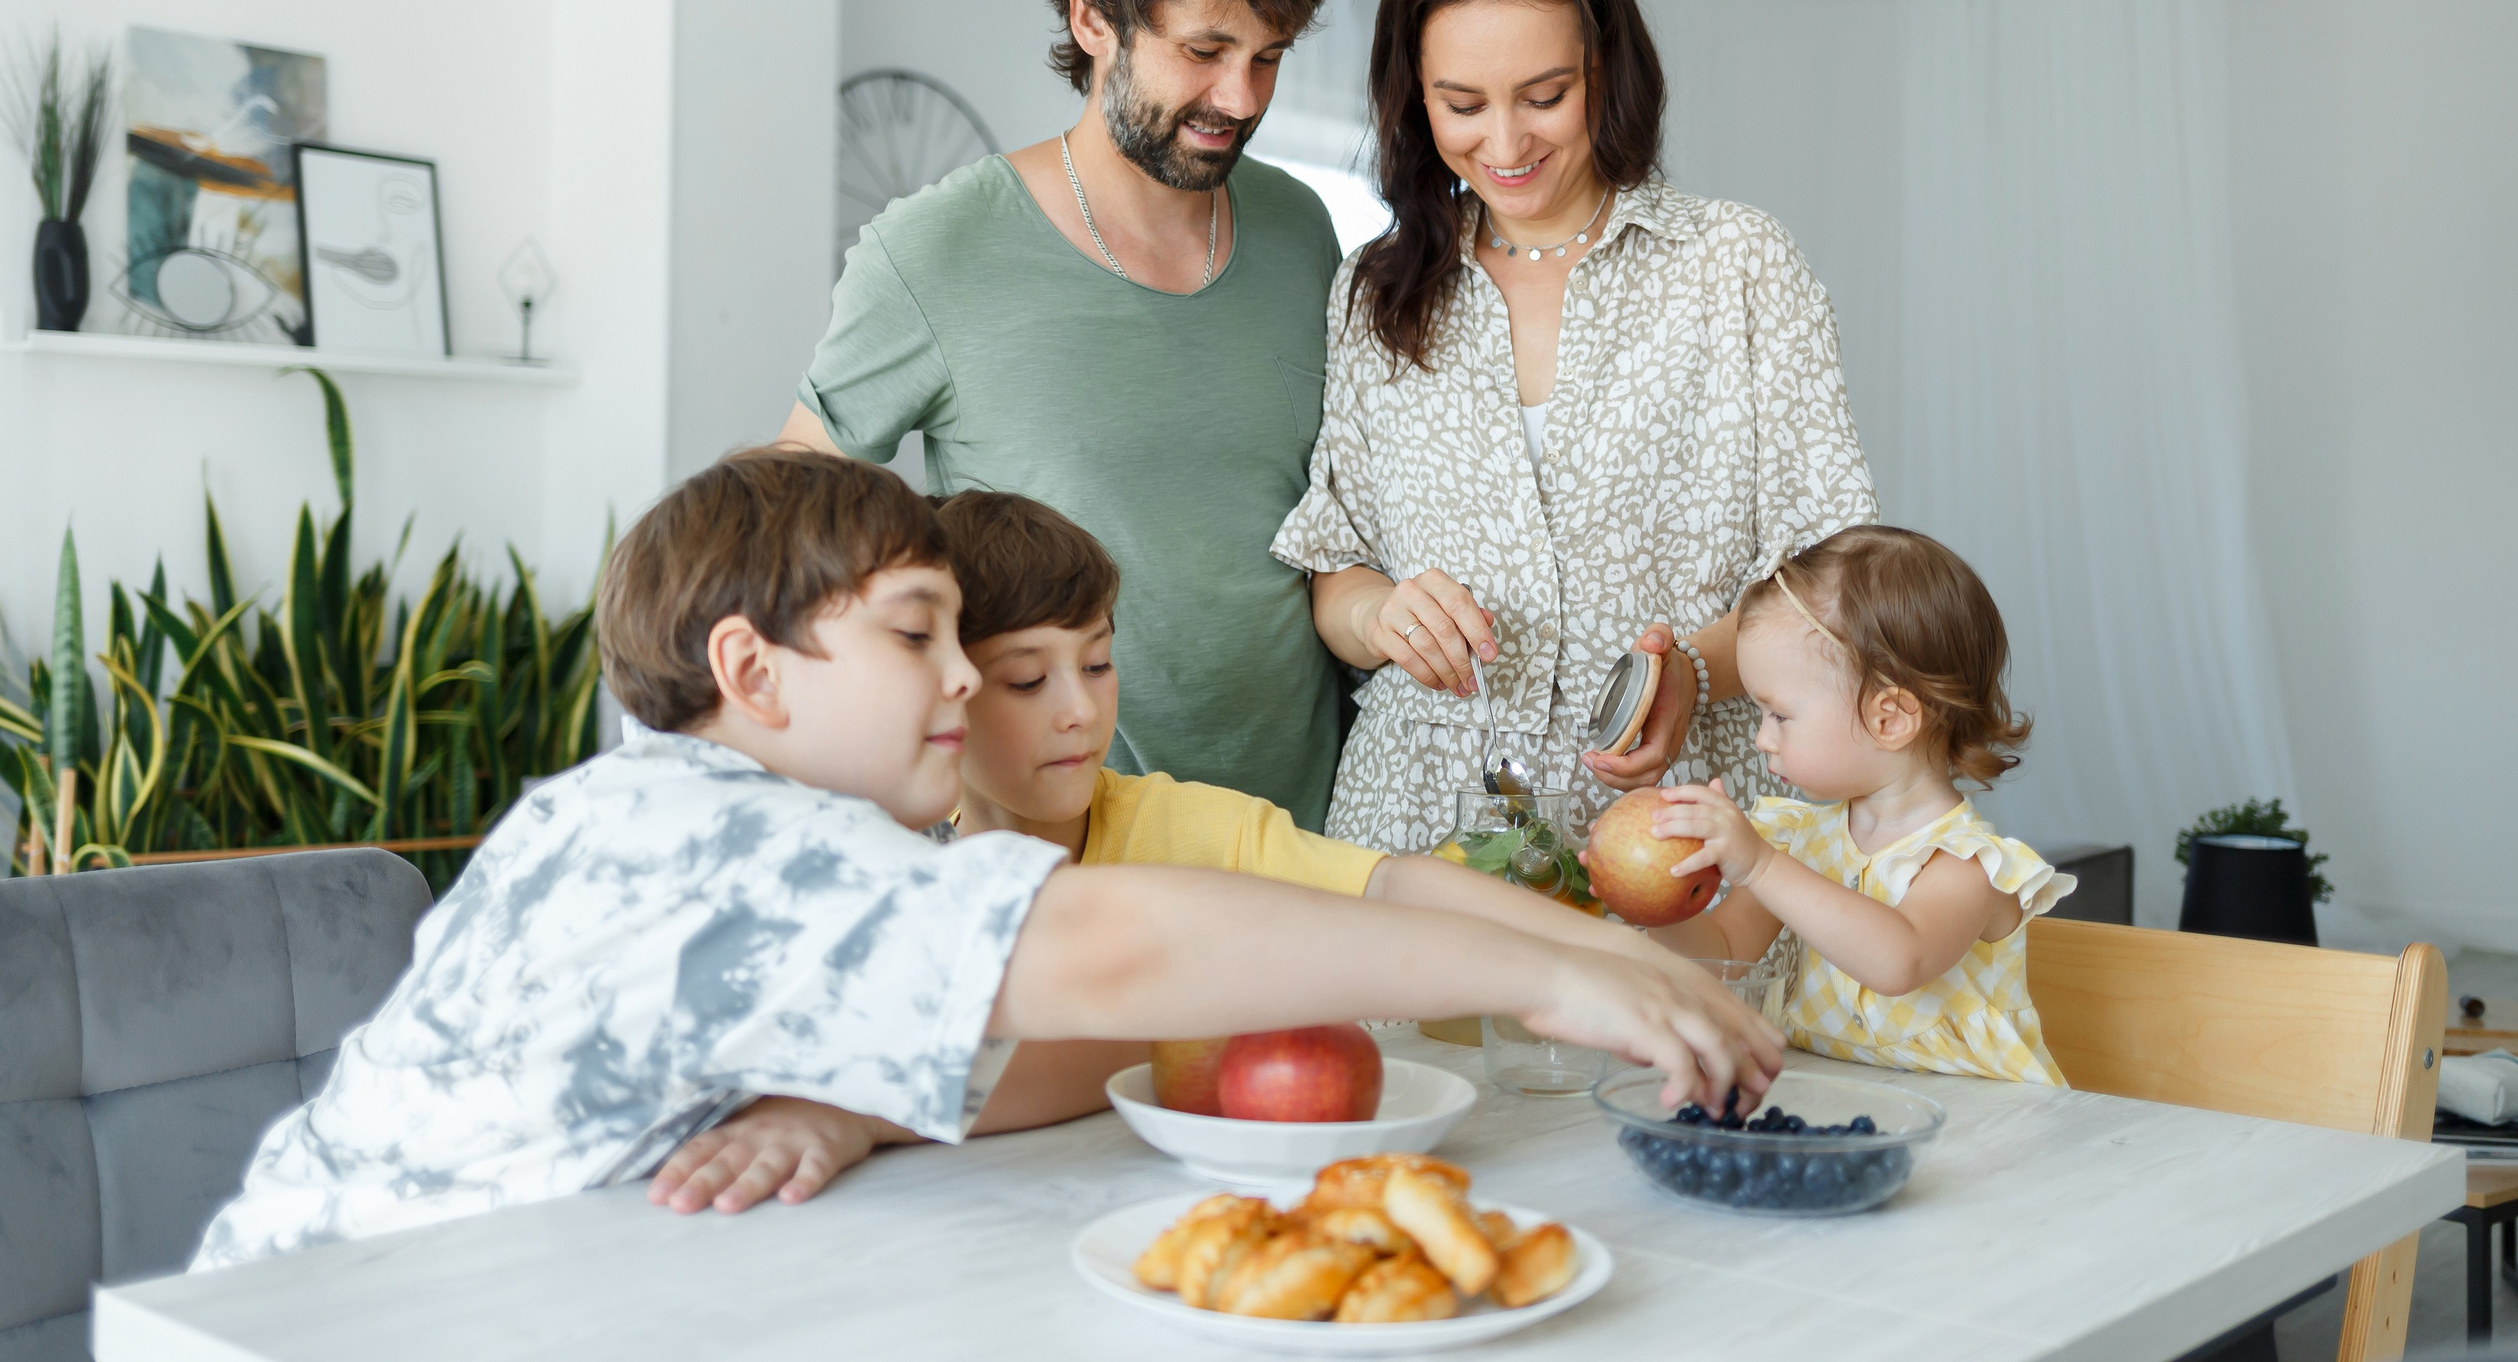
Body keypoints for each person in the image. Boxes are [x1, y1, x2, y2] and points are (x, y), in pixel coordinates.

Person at [195, 450, 1770, 1267]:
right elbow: (1105, 951)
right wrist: (1555, 967)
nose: (962, 681)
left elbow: (1029, 1016)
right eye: (917, 636)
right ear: (751, 671)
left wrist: (858, 1103)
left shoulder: (727, 824)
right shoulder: (689, 828)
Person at [648, 491, 1781, 1216]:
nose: (1077, 713)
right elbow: (1105, 981)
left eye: (1096, 666)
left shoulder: (1172, 819)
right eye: (1023, 680)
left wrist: (1621, 961)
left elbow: (1394, 887)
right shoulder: (868, 849)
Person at [1272, 0, 1881, 852]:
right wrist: (1383, 614)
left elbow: (1836, 572)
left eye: (1544, 97)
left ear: (1608, 70)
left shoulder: (1735, 264)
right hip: (1418, 819)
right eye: (1461, 104)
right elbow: (1333, 565)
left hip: (1677, 824)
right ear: (1410, 94)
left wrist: (1696, 669)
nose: (1505, 145)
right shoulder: (1372, 293)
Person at [781, 0, 1346, 833]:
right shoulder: (934, 250)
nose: (1243, 99)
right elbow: (795, 516)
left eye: (1269, 58)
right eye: (1205, 51)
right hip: (1062, 839)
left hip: (1303, 824)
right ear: (1093, 17)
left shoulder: (1301, 229)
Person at [1639, 526, 2075, 1085]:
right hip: (1845, 1105)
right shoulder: (1802, 839)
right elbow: (1724, 953)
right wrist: (1654, 898)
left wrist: (1761, 865)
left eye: (1779, 715)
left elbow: (1898, 960)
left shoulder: (1969, 866)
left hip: (1980, 1126)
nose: (1761, 739)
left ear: (1889, 718)